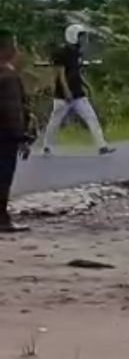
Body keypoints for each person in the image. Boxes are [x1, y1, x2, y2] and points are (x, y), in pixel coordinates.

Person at [42, 24, 115, 156]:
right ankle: (47, 146)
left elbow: (76, 72)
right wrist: (66, 91)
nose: (82, 40)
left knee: (91, 117)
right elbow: (60, 74)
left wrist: (85, 84)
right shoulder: (61, 53)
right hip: (63, 95)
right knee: (55, 121)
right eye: (80, 36)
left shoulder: (77, 53)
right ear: (72, 36)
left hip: (78, 93)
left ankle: (102, 146)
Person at [0, 28, 34, 233]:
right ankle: (2, 220)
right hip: (4, 136)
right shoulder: (8, 76)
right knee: (3, 177)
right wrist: (21, 137)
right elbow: (12, 110)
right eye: (14, 46)